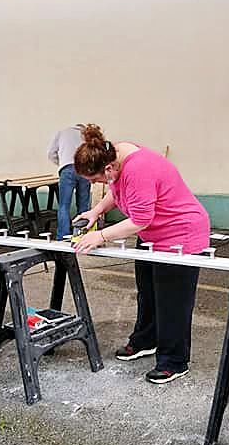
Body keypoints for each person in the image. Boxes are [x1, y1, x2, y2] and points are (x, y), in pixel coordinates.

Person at [71, 125, 210, 384]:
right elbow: (117, 191)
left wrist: (100, 236)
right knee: (147, 292)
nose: (93, 184)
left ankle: (174, 361)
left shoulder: (138, 168)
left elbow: (140, 219)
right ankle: (146, 340)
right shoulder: (114, 155)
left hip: (180, 233)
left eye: (94, 180)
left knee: (172, 302)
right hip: (153, 235)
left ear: (108, 169)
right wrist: (95, 212)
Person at [47, 124, 91, 240]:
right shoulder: (86, 135)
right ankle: (82, 234)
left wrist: (62, 163)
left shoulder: (62, 132)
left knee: (64, 205)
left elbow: (51, 153)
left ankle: (63, 236)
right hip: (84, 169)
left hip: (67, 169)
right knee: (83, 205)